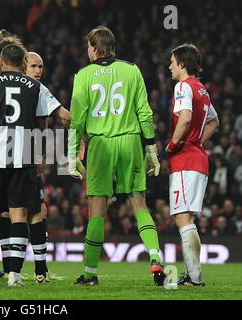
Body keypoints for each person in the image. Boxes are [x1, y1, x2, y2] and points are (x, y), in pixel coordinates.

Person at [67, 26, 165, 286]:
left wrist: (71, 154)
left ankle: (90, 273)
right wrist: (151, 148)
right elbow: (144, 112)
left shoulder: (83, 75)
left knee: (97, 210)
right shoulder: (132, 70)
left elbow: (76, 119)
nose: (87, 51)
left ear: (95, 48)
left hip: (100, 144)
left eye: (88, 46)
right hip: (131, 140)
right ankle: (155, 258)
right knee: (139, 203)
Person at [0, 44, 62, 287]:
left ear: (0, 62)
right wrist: (39, 155)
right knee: (20, 213)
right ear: (23, 64)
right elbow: (42, 125)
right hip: (24, 155)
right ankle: (14, 276)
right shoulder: (36, 86)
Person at [166, 43, 219, 286]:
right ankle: (193, 276)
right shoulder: (202, 90)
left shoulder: (182, 87)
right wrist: (198, 141)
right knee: (187, 218)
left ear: (182, 64)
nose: (169, 67)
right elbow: (214, 122)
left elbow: (185, 118)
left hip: (185, 159)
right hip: (198, 159)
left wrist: (173, 145)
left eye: (172, 62)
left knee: (182, 218)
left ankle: (195, 278)